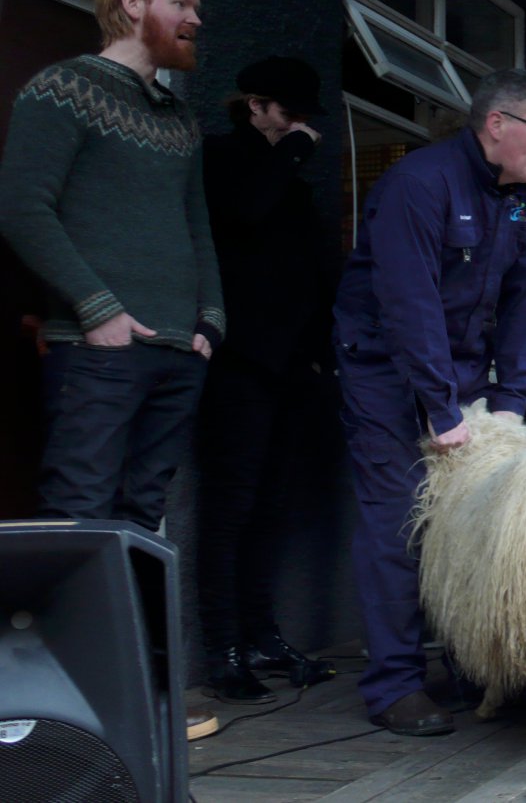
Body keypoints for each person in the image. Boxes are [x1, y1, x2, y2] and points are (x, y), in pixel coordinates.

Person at [0, 0, 222, 742]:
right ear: (131, 3)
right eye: (182, 4)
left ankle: (141, 702)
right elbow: (23, 210)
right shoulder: (62, 90)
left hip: (173, 353)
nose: (196, 19)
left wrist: (209, 322)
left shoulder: (178, 119)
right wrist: (95, 308)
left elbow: (196, 226)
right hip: (98, 347)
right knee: (80, 524)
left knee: (140, 526)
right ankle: (69, 721)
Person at [333, 69, 526, 736]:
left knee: (466, 521)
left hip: (463, 372)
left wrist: (511, 400)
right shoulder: (418, 184)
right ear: (498, 125)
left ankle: (467, 663)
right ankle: (394, 684)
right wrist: (442, 409)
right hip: (383, 371)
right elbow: (409, 304)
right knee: (396, 522)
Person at [196, 56, 339, 704]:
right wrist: (290, 156)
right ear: (254, 106)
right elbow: (243, 214)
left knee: (270, 510)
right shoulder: (223, 158)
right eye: (287, 114)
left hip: (291, 369)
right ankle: (223, 647)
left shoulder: (293, 182)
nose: (299, 128)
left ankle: (262, 633)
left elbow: (312, 271)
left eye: (305, 118)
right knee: (231, 507)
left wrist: (320, 358)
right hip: (238, 363)